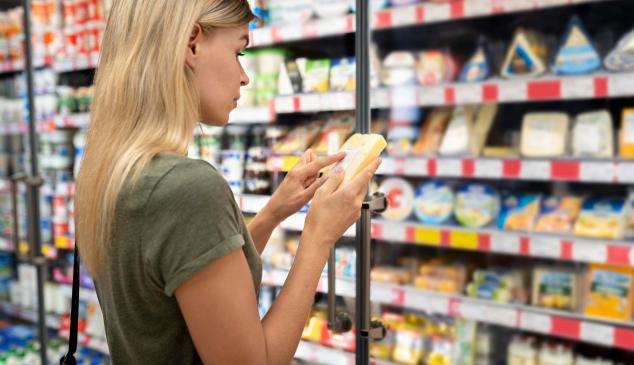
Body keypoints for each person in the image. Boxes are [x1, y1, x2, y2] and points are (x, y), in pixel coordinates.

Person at [74, 1, 381, 364]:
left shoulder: (117, 171)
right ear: (191, 44)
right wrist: (318, 237)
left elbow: (191, 281)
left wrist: (272, 214)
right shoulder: (186, 186)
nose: (244, 76)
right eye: (238, 51)